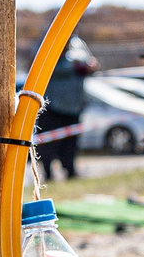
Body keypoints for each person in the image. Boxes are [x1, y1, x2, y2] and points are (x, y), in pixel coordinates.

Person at [36, 34, 98, 181]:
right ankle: (48, 173)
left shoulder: (78, 44)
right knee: (48, 143)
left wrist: (90, 67)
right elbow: (44, 67)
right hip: (53, 106)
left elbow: (90, 63)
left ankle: (70, 170)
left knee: (70, 144)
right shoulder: (48, 43)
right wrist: (74, 68)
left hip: (74, 107)